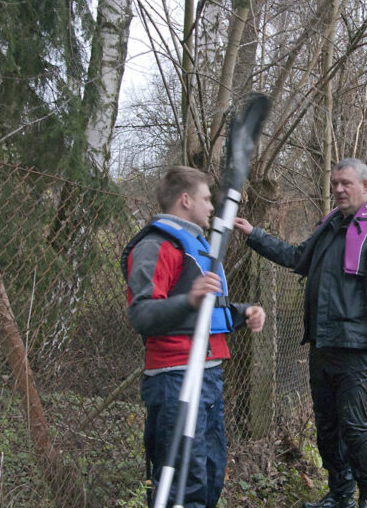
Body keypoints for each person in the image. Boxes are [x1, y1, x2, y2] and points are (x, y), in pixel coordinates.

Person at [234, 158, 367, 508]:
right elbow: (297, 257)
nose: (339, 190)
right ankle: (340, 495)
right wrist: (255, 235)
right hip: (322, 342)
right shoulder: (330, 226)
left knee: (354, 426)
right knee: (327, 427)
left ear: (365, 185)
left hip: (356, 345)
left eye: (346, 183)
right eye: (335, 184)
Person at [122, 166, 266, 508]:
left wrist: (243, 313)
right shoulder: (156, 246)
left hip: (209, 375)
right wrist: (189, 300)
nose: (212, 207)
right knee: (184, 486)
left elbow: (203, 313)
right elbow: (142, 315)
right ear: (186, 200)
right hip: (175, 379)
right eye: (206, 199)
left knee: (211, 475)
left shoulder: (199, 246)